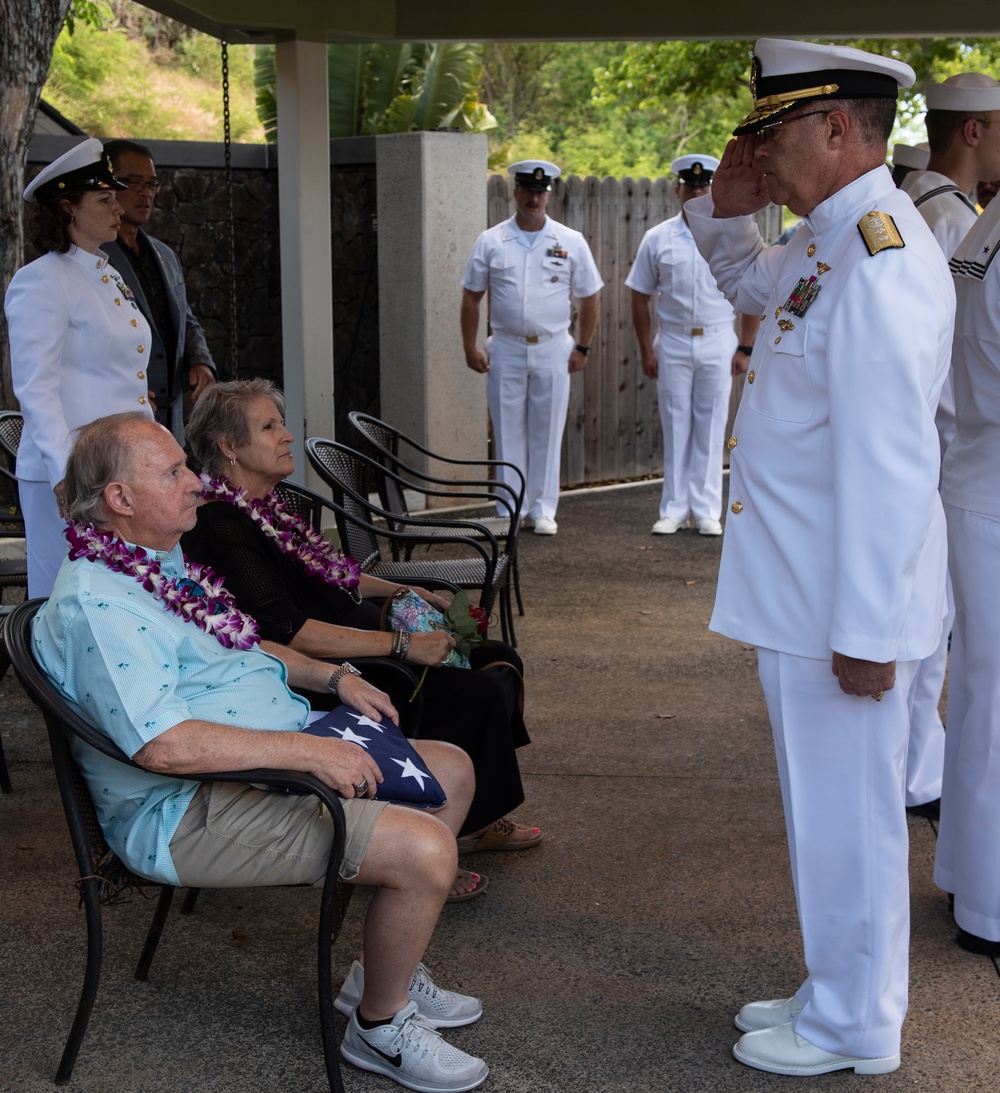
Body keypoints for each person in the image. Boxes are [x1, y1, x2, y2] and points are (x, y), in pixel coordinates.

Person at [33, 412, 490, 1093]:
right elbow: (163, 747)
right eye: (173, 473)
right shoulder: (98, 606)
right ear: (119, 500)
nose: (196, 482)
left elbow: (241, 640)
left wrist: (334, 678)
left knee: (451, 768)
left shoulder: (155, 561)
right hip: (187, 808)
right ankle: (380, 1025)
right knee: (427, 849)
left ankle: (380, 969)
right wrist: (307, 754)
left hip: (266, 754)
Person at [685, 38, 953, 1076]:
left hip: (838, 605)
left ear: (837, 129)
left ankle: (855, 1025)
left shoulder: (880, 262)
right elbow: (742, 281)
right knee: (826, 816)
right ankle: (835, 988)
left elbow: (892, 470)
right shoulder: (827, 240)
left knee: (851, 823)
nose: (761, 148)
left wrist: (868, 633)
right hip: (802, 591)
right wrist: (725, 196)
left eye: (773, 131)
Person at [181, 379, 541, 872]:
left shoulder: (266, 506)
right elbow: (288, 631)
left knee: (499, 657)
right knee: (476, 690)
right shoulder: (224, 525)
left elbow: (332, 574)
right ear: (228, 447)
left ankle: (477, 816)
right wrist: (402, 645)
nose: (287, 435)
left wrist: (395, 590)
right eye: (269, 426)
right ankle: (444, 839)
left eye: (281, 423)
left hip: (370, 645)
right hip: (337, 670)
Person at [898, 76, 1000, 823]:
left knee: (950, 649)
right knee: (937, 644)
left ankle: (927, 775)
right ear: (975, 130)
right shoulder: (942, 217)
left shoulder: (965, 218)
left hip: (956, 452)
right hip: (953, 449)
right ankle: (917, 775)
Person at [4, 136, 154, 598]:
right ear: (68, 207)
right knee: (66, 600)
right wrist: (64, 475)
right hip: (72, 471)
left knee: (128, 598)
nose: (118, 207)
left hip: (119, 463)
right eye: (105, 199)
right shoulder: (41, 280)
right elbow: (37, 390)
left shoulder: (105, 272)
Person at [460, 160, 603, 536]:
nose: (534, 198)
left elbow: (590, 297)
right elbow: (471, 297)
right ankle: (509, 509)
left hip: (554, 347)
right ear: (515, 191)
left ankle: (543, 508)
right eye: (527, 190)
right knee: (507, 431)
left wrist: (583, 348)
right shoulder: (491, 240)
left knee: (547, 428)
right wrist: (469, 345)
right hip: (505, 347)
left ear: (549, 194)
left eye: (541, 191)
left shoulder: (570, 241)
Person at [626, 154, 760, 537]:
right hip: (673, 340)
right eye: (691, 186)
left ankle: (705, 510)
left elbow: (752, 290)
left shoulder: (728, 233)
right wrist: (645, 350)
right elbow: (639, 295)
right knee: (676, 425)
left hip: (718, 338)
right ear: (677, 190)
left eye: (703, 186)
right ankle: (673, 507)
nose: (697, 191)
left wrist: (745, 347)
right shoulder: (658, 238)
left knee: (712, 425)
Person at [934, 194, 1000, 958]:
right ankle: (988, 902)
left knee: (981, 695)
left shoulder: (987, 220)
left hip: (976, 473)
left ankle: (965, 870)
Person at [102, 139, 216, 443]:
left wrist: (200, 360)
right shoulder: (92, 257)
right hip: (119, 418)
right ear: (105, 187)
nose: (145, 193)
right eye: (132, 182)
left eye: (151, 184)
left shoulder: (165, 255)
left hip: (171, 415)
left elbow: (186, 320)